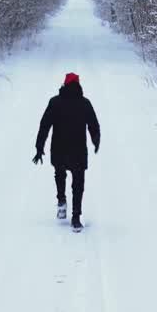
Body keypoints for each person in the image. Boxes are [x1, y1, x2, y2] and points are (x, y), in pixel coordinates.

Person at [33, 72, 101, 231]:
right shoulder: (85, 103)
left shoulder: (55, 102)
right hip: (78, 150)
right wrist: (95, 140)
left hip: (59, 148)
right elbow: (94, 125)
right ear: (78, 86)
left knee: (60, 174)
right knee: (78, 183)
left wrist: (39, 147)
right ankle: (76, 217)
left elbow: (44, 126)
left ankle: (62, 201)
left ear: (64, 85)